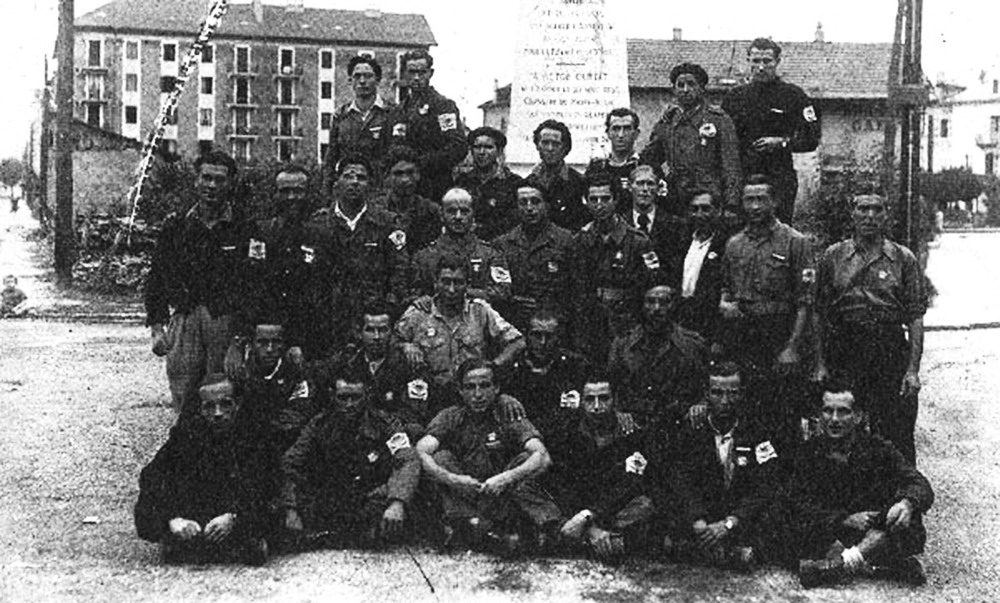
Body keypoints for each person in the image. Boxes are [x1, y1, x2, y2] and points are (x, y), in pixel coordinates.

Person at [813, 194, 926, 464]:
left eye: (877, 209)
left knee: (896, 430)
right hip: (845, 347)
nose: (870, 216)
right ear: (852, 214)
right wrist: (819, 363)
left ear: (886, 215)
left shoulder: (903, 258)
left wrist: (912, 370)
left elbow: (915, 317)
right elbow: (819, 312)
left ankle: (900, 487)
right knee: (843, 428)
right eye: (863, 209)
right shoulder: (833, 256)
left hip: (888, 347)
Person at [145, 151, 259, 413]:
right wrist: (157, 327)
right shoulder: (177, 226)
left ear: (231, 184)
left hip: (225, 323)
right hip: (185, 320)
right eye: (206, 178)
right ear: (196, 180)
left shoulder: (244, 227)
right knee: (184, 395)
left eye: (220, 180)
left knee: (223, 396)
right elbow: (157, 278)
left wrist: (239, 341)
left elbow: (253, 286)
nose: (212, 186)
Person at [792, 381, 934, 587]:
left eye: (843, 412)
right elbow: (795, 502)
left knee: (904, 518)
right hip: (832, 528)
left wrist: (907, 504)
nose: (834, 419)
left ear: (858, 416)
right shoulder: (807, 453)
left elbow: (918, 483)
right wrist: (844, 519)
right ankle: (872, 561)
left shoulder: (879, 449)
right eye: (828, 411)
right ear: (819, 415)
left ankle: (838, 565)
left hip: (870, 528)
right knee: (788, 519)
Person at [415, 359, 562, 554]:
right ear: (460, 391)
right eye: (470, 387)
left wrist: (506, 478)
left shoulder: (507, 414)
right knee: (441, 458)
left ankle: (549, 529)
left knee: (527, 459)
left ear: (496, 388)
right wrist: (454, 479)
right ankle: (481, 529)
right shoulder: (450, 416)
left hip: (501, 493)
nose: (477, 395)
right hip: (467, 493)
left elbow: (541, 454)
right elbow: (422, 450)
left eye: (484, 386)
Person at [134, 375, 276, 566]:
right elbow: (151, 477)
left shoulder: (253, 436)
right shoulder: (185, 436)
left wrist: (234, 517)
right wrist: (172, 520)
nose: (218, 413)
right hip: (198, 516)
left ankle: (234, 541)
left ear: (237, 405)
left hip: (235, 511)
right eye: (209, 406)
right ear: (200, 409)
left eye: (226, 404)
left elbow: (267, 485)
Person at [660, 362, 789, 570]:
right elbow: (681, 480)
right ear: (706, 395)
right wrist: (697, 520)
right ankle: (721, 551)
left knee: (775, 510)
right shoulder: (692, 431)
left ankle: (715, 550)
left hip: (738, 518)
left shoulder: (756, 431)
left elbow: (766, 484)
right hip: (704, 517)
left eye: (732, 394)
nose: (725, 401)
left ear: (742, 395)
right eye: (717, 393)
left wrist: (730, 522)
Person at [720, 176, 816, 449]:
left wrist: (792, 347)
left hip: (779, 333)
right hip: (744, 335)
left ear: (775, 202)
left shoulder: (795, 242)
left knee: (783, 414)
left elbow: (806, 301)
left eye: (761, 199)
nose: (755, 206)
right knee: (746, 411)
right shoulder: (734, 244)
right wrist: (725, 304)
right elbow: (725, 288)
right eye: (749, 200)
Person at [281, 374, 425, 548]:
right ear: (332, 396)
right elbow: (292, 462)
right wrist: (291, 508)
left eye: (355, 398)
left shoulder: (384, 423)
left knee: (393, 507)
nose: (349, 404)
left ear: (366, 396)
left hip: (369, 495)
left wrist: (397, 502)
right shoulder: (319, 424)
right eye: (343, 398)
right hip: (332, 495)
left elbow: (407, 459)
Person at [548, 374, 655, 560]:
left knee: (644, 505)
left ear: (615, 400)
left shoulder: (631, 433)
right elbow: (562, 484)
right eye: (590, 399)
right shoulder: (568, 432)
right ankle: (598, 540)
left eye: (604, 398)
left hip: (610, 508)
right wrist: (589, 526)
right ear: (581, 402)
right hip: (576, 508)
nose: (597, 406)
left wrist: (590, 515)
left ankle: (583, 541)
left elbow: (630, 484)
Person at [309, 154, 409, 344]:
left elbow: (400, 272)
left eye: (361, 178)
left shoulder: (387, 223)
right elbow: (311, 276)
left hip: (374, 324)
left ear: (370, 185)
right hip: (329, 324)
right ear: (337, 183)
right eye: (348, 176)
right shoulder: (319, 224)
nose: (354, 182)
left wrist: (386, 311)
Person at [722, 38, 821, 224]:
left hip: (779, 177)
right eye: (756, 61)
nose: (761, 67)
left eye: (767, 61)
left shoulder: (793, 95)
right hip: (743, 177)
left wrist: (782, 142)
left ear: (777, 62)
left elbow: (812, 137)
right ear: (748, 61)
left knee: (779, 230)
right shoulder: (734, 97)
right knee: (742, 231)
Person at [571, 170, 662, 363]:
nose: (599, 205)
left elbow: (651, 285)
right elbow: (576, 287)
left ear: (616, 200)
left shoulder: (638, 242)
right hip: (590, 324)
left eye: (605, 199)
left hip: (627, 323)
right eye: (593, 199)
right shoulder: (580, 240)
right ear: (585, 201)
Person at [248, 164, 336, 361]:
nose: (291, 197)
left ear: (308, 194)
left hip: (311, 336)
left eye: (298, 191)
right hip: (269, 336)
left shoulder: (323, 235)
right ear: (275, 194)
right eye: (284, 191)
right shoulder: (261, 232)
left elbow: (326, 291)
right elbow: (253, 285)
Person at [396, 255, 525, 389]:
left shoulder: (480, 311)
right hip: (430, 388)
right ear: (436, 283)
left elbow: (518, 342)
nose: (451, 289)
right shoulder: (419, 312)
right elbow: (393, 341)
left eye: (458, 283)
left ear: (467, 285)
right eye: (446, 282)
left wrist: (493, 366)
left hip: (471, 391)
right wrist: (405, 346)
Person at [640, 62, 742, 216]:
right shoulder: (668, 122)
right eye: (680, 85)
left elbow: (731, 165)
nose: (685, 90)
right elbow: (649, 157)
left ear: (702, 89)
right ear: (674, 89)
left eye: (691, 84)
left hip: (709, 198)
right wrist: (662, 181)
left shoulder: (719, 120)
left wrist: (731, 204)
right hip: (676, 198)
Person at [608, 284, 708, 430]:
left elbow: (705, 386)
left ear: (673, 305)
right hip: (634, 427)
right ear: (642, 305)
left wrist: (701, 405)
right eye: (650, 301)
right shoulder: (623, 346)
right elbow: (611, 386)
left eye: (664, 302)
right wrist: (618, 412)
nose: (656, 308)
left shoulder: (692, 345)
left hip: (679, 427)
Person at [491, 182, 575, 328]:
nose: (529, 208)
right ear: (516, 207)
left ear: (546, 205)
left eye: (535, 202)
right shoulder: (502, 244)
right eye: (523, 203)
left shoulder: (565, 241)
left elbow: (575, 289)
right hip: (514, 322)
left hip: (555, 323)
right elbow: (498, 290)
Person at [388, 49, 468, 203]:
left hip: (434, 186)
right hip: (404, 187)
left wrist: (422, 162)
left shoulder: (442, 106)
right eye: (412, 72)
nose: (416, 78)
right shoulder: (399, 110)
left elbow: (458, 147)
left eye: (422, 72)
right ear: (404, 74)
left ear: (430, 73)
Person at [410, 187, 511, 307]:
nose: (458, 217)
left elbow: (502, 292)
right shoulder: (424, 257)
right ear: (442, 215)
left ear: (473, 216)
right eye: (451, 211)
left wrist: (459, 292)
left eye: (464, 211)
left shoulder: (491, 255)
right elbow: (413, 295)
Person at [499, 309, 589, 438]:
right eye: (536, 335)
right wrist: (502, 397)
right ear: (526, 335)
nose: (542, 342)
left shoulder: (575, 365)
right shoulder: (512, 368)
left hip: (568, 436)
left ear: (558, 337)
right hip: (524, 437)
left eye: (549, 336)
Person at [235, 321, 317, 456]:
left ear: (284, 345)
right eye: (262, 342)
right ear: (252, 344)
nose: (269, 349)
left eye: (276, 342)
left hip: (285, 446)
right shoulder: (240, 373)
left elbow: (298, 414)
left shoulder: (296, 373)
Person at [322, 55, 395, 190]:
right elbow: (331, 158)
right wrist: (327, 189)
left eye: (368, 76)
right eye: (357, 76)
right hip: (350, 187)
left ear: (378, 80)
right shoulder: (341, 116)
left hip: (381, 188)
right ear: (350, 80)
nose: (362, 81)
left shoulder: (391, 113)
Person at [675, 190, 731, 345]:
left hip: (710, 322)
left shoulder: (727, 244)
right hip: (681, 317)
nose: (699, 214)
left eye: (705, 209)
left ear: (718, 211)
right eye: (695, 209)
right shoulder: (682, 240)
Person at [454, 126, 524, 241]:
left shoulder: (514, 183)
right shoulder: (463, 181)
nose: (482, 152)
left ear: (499, 151)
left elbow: (514, 221)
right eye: (477, 147)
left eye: (488, 147)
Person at [372, 145, 442, 253]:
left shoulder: (431, 211)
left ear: (418, 175)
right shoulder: (375, 210)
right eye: (398, 174)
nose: (405, 179)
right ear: (388, 177)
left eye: (410, 173)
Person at [527, 119, 590, 232]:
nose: (550, 148)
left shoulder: (579, 182)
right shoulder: (528, 183)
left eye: (556, 144)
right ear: (537, 146)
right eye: (545, 143)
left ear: (565, 148)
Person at [626, 164, 685, 281]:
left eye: (650, 184)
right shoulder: (621, 223)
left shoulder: (675, 225)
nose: (645, 189)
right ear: (629, 187)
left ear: (658, 188)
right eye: (640, 183)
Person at [599, 107, 643, 214]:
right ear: (608, 133)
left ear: (636, 133)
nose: (621, 135)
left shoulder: (646, 167)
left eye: (627, 129)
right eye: (616, 129)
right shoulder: (597, 168)